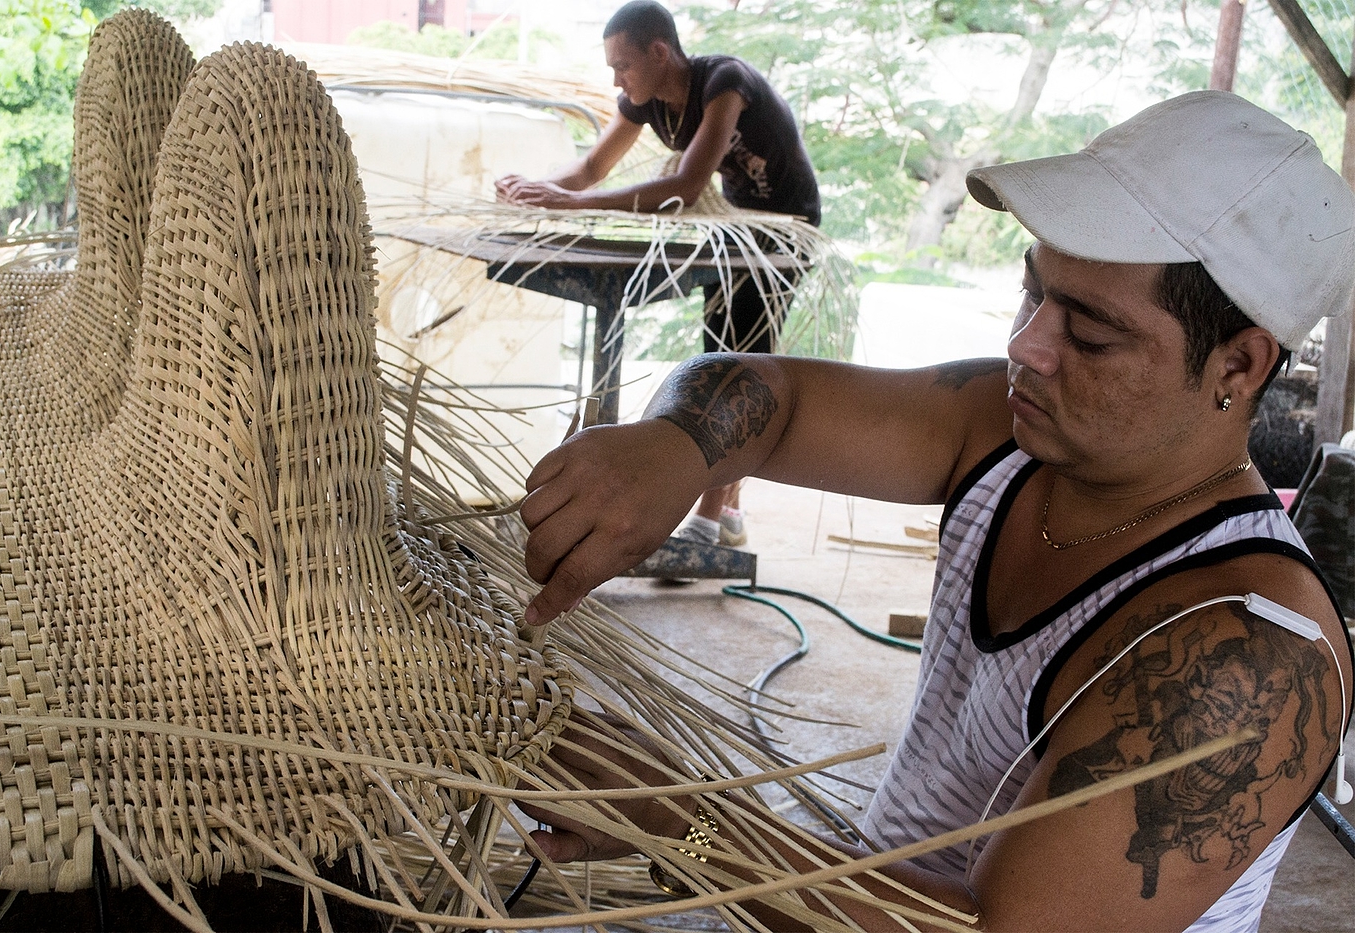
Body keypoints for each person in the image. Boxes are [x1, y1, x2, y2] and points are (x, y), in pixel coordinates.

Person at [516, 90, 1355, 931]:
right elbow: (774, 395)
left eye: (1091, 335)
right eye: (1034, 294)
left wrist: (679, 823)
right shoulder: (1009, 426)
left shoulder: (1254, 651)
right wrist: (676, 445)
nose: (1027, 347)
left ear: (1239, 365)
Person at [496, 0, 820, 549]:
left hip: (784, 232)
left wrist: (571, 206)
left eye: (623, 65)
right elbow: (591, 169)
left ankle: (710, 515)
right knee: (718, 353)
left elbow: (687, 186)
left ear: (660, 51)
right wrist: (537, 196)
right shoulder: (643, 103)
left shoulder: (725, 82)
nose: (617, 78)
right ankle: (729, 511)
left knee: (738, 363)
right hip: (737, 232)